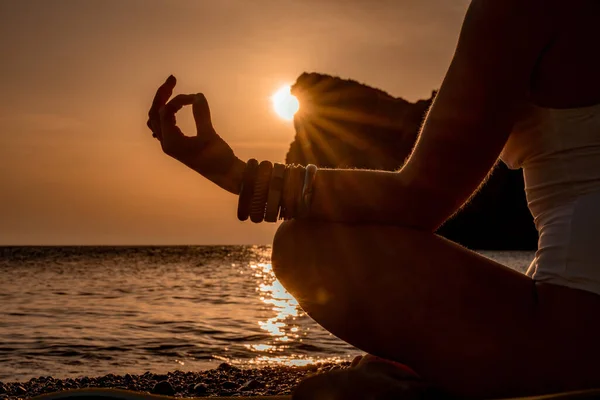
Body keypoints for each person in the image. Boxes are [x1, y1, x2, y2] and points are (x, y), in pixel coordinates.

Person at [145, 0, 600, 398]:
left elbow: (417, 198)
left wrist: (237, 175)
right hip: (571, 317)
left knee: (307, 248)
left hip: (577, 339)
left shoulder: (519, 8)